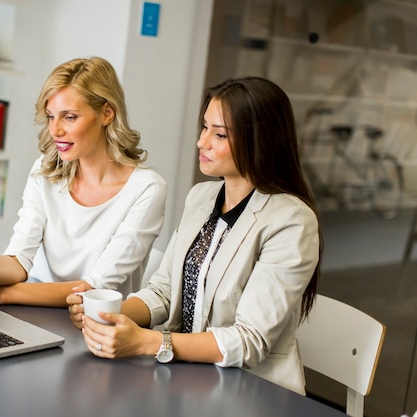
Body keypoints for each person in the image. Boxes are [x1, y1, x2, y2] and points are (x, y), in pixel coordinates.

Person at [67, 76, 323, 395]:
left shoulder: (292, 221)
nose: (202, 142)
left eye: (219, 134)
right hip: (190, 378)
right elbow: (164, 291)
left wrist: (150, 342)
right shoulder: (201, 197)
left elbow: (249, 340)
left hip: (252, 389)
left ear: (260, 141)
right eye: (204, 128)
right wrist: (108, 315)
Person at [0, 56, 167, 307]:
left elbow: (93, 288)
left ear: (106, 113)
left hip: (100, 329)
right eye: (51, 116)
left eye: (69, 117)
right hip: (38, 312)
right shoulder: (45, 170)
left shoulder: (146, 188)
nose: (55, 130)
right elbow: (18, 262)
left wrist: (1, 294)